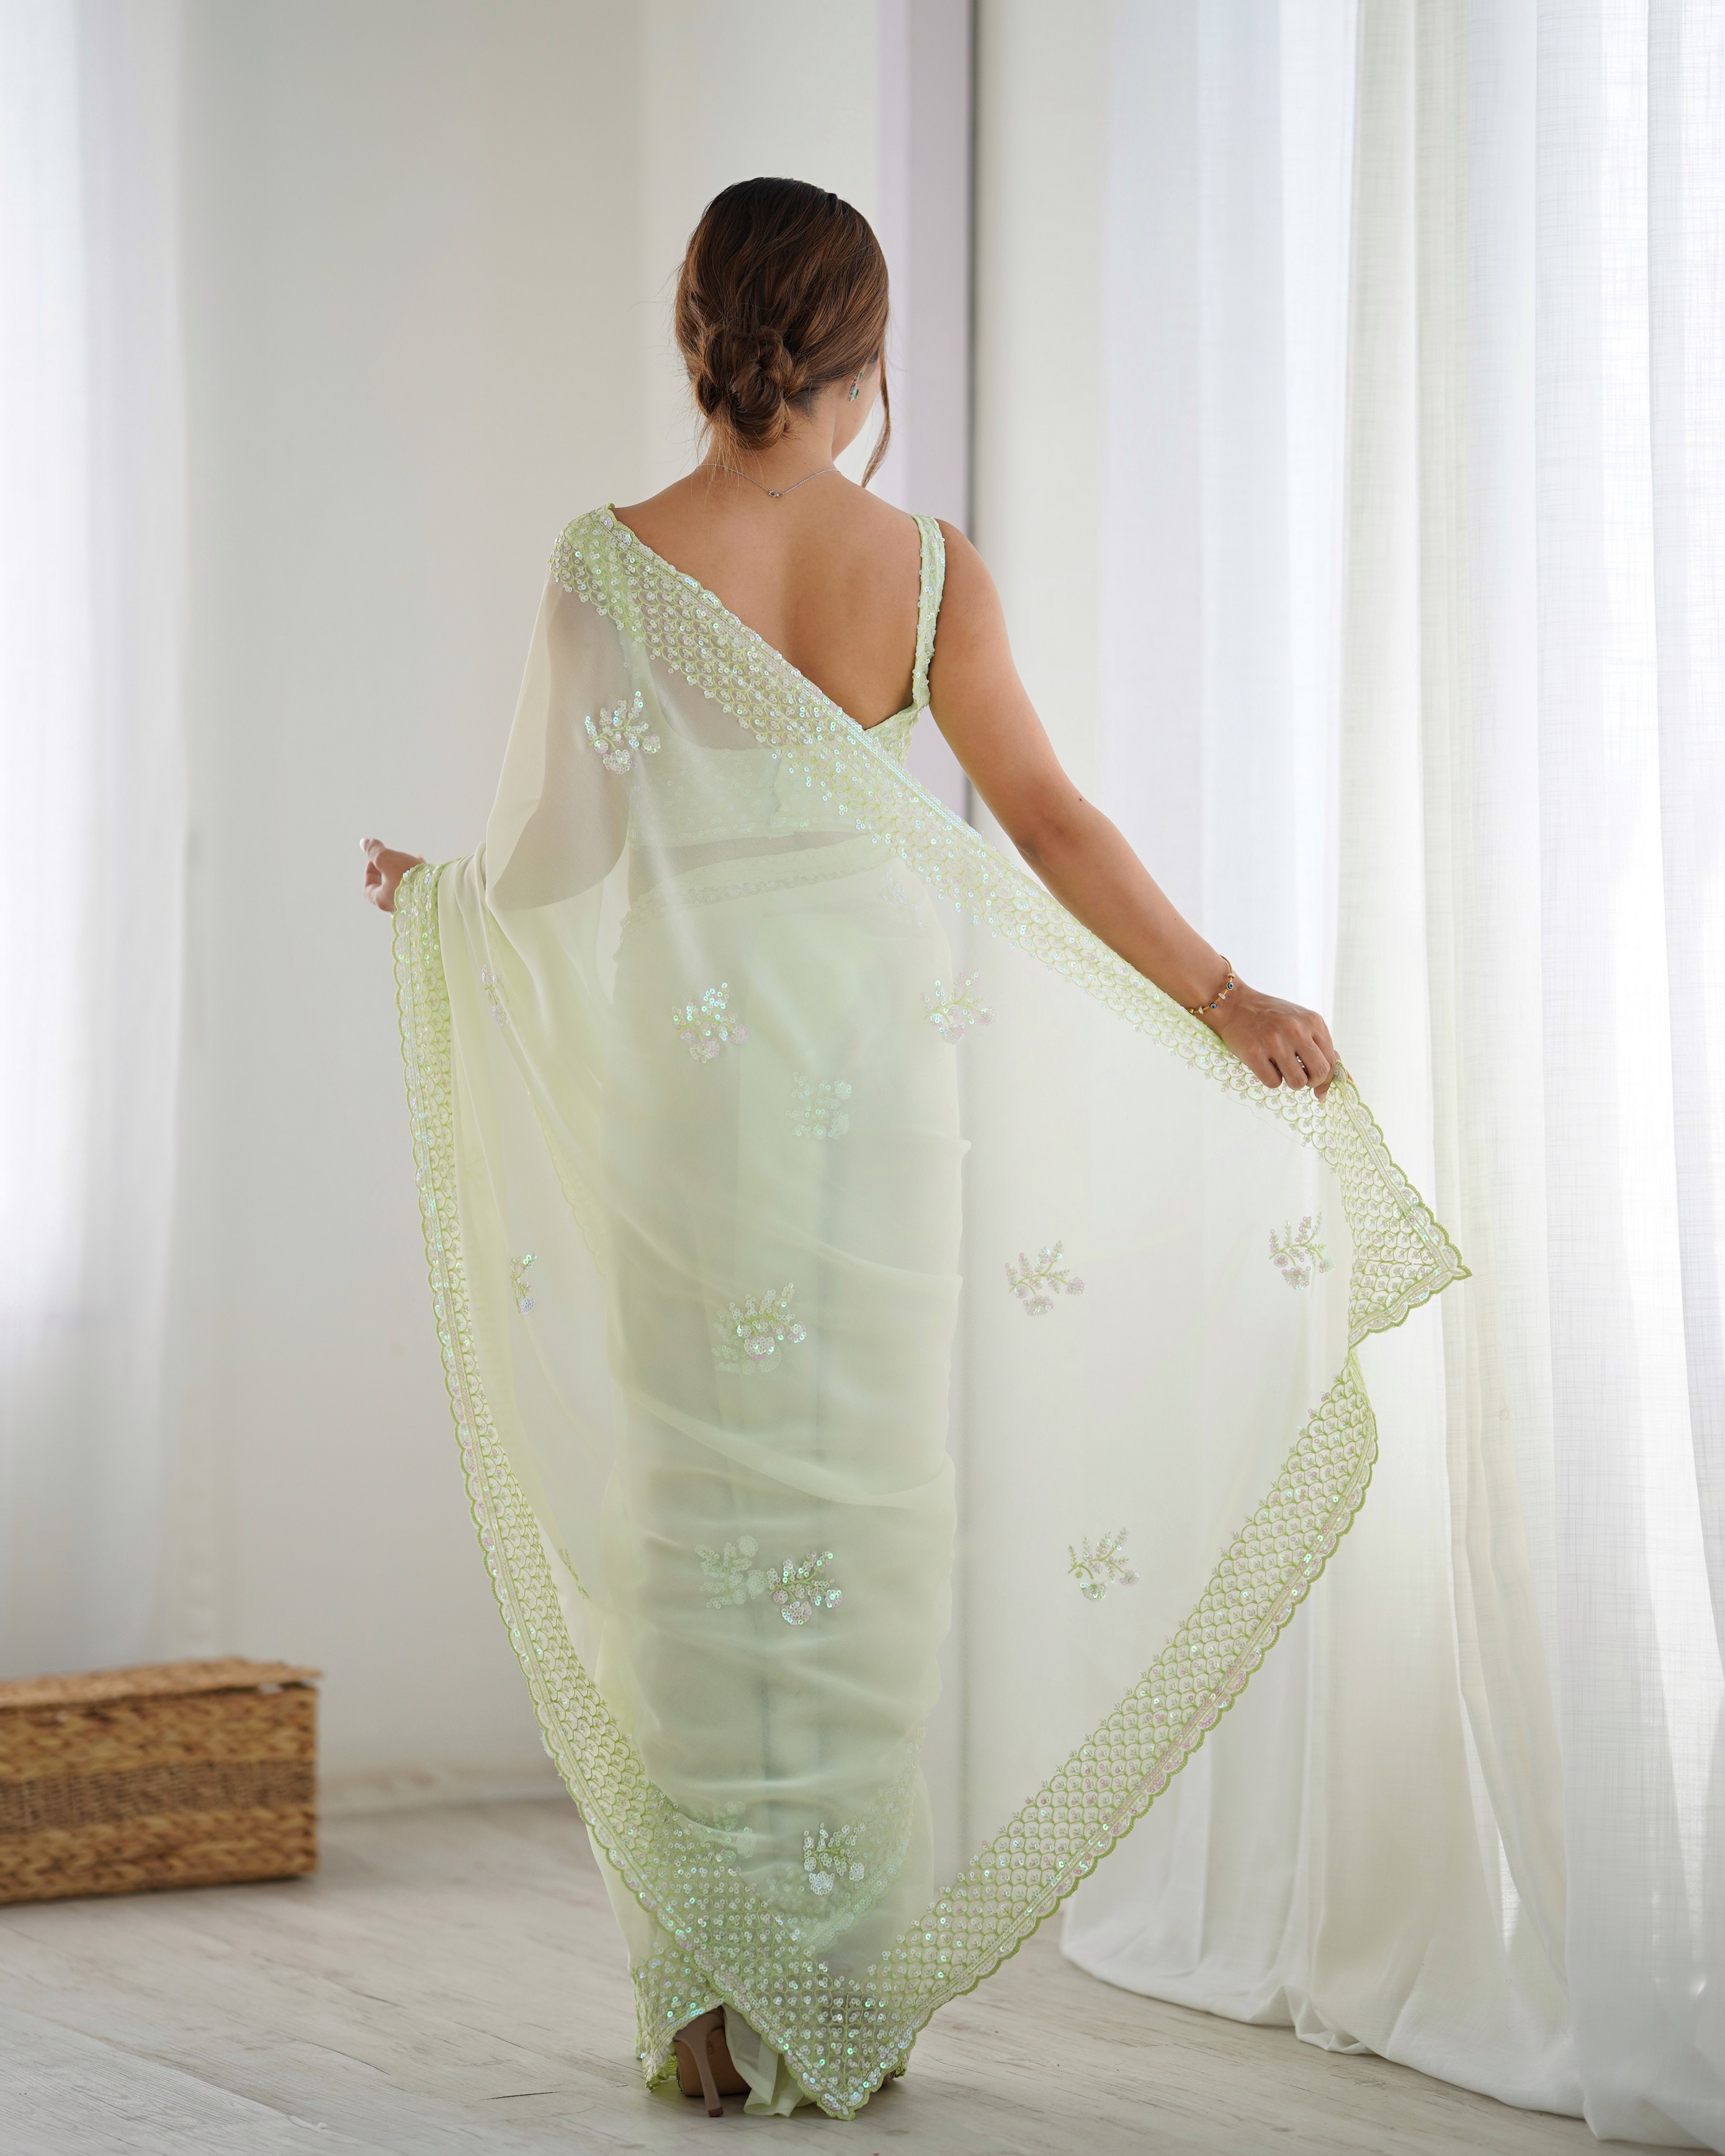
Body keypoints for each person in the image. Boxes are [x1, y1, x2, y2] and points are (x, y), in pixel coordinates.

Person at [364, 178, 1461, 2120]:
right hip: (879, 1108)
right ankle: (840, 2000)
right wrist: (1224, 995)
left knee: (697, 1527)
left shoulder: (606, 566)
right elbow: (1045, 817)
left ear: (696, 331)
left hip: (693, 1108)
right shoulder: (926, 567)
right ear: (863, 356)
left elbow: (556, 864)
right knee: (856, 1530)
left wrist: (428, 891)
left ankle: (708, 2002)